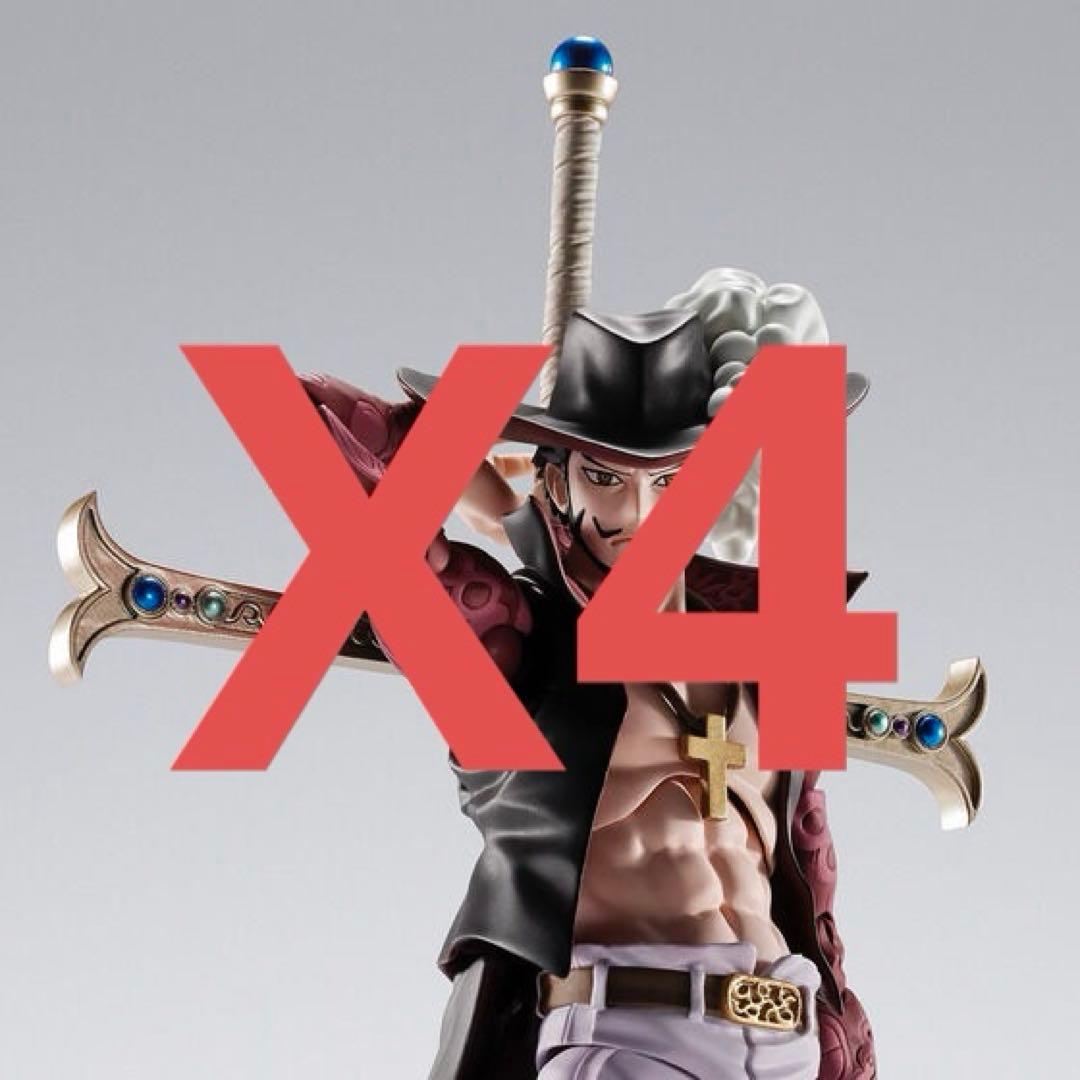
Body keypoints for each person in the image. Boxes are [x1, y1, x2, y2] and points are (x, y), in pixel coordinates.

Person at [303, 284, 877, 1080]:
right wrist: (436, 447)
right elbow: (307, 428)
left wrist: (842, 1018)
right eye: (605, 477)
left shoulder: (766, 649)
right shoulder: (520, 648)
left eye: (670, 481)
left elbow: (805, 855)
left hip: (791, 1043)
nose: (637, 512)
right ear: (557, 483)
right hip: (632, 1041)